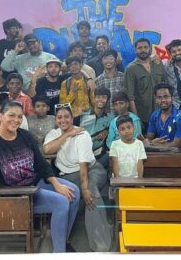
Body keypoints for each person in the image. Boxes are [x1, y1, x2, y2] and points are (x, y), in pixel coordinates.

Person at [0, 100, 79, 253]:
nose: (16, 120)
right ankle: (60, 253)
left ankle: (62, 240)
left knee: (74, 192)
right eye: (11, 115)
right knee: (61, 202)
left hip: (34, 183)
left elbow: (41, 163)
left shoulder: (25, 135)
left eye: (19, 116)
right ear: (0, 116)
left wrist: (56, 184)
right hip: (16, 194)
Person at [43, 104, 112, 252]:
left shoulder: (82, 134)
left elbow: (84, 166)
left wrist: (85, 188)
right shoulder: (53, 134)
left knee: (91, 191)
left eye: (66, 117)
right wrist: (67, 134)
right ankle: (63, 240)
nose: (63, 120)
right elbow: (47, 149)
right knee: (80, 193)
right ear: (55, 120)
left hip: (92, 170)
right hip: (68, 176)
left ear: (72, 118)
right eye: (59, 117)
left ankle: (101, 245)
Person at [125, 38, 169, 132]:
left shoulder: (158, 63)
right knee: (146, 143)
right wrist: (136, 118)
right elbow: (130, 96)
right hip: (143, 116)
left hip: (161, 112)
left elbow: (166, 86)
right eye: (140, 48)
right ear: (135, 50)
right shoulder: (131, 68)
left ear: (150, 49)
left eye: (146, 47)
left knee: (164, 142)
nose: (143, 50)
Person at [144, 83, 181, 152]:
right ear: (156, 100)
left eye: (166, 97)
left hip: (179, 154)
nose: (163, 100)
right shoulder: (155, 115)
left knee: (175, 149)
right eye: (159, 97)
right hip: (159, 151)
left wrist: (153, 144)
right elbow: (149, 138)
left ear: (172, 98)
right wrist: (150, 142)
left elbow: (177, 144)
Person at [80, 88, 113, 171]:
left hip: (100, 155)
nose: (101, 100)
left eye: (104, 97)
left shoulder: (111, 118)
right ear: (94, 98)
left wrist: (107, 131)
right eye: (98, 97)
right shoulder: (83, 114)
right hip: (82, 154)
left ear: (107, 100)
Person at [94, 49, 125, 114]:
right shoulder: (98, 80)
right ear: (101, 61)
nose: (108, 61)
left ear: (116, 60)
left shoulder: (123, 77)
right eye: (105, 58)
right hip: (105, 117)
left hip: (121, 116)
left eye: (111, 58)